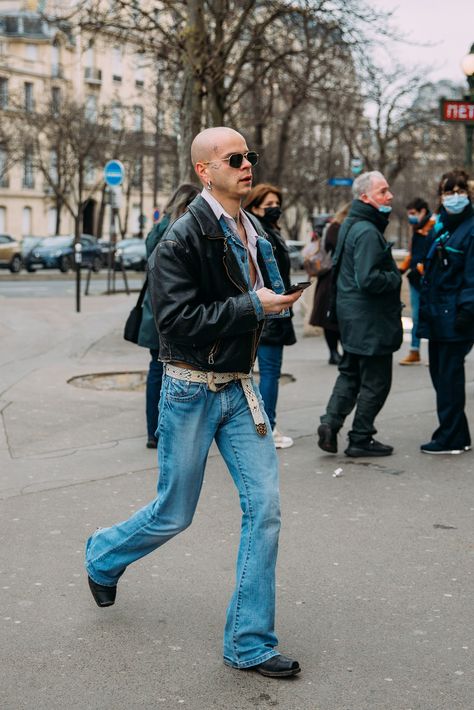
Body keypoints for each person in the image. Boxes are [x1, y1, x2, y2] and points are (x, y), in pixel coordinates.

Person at [85, 127, 304, 678]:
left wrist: (278, 300)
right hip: (188, 386)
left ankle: (248, 642)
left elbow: (263, 293)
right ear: (206, 170)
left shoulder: (252, 227)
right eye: (235, 158)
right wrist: (254, 306)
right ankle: (103, 556)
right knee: (174, 512)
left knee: (267, 509)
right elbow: (176, 325)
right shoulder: (180, 238)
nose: (247, 164)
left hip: (238, 386)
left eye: (250, 155)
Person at [317, 171, 402, 458]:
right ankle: (361, 437)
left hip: (353, 317)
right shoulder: (367, 231)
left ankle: (329, 424)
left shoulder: (353, 224)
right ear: (365, 197)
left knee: (350, 374)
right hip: (370, 321)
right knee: (376, 382)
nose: (389, 196)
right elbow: (369, 279)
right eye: (383, 191)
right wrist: (395, 277)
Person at [137, 184, 200, 448]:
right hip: (173, 311)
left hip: (153, 311)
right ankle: (168, 430)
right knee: (175, 372)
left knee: (156, 371)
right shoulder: (180, 230)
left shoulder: (158, 228)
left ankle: (154, 431)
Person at [418, 169, 474, 455]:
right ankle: (457, 434)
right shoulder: (443, 227)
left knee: (449, 379)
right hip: (439, 314)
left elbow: (471, 275)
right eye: (448, 191)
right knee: (441, 376)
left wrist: (467, 309)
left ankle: (450, 437)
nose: (454, 196)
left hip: (455, 316)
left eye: (459, 190)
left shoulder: (470, 228)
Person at [243, 183, 296, 448]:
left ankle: (260, 427)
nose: (275, 209)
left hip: (270, 310)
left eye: (277, 204)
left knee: (260, 374)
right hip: (271, 313)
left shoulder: (264, 232)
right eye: (269, 206)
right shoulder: (262, 236)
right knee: (270, 373)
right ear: (254, 207)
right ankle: (268, 428)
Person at [309, 202, 350, 365]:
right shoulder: (335, 228)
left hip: (333, 278)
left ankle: (338, 353)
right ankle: (333, 353)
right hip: (331, 277)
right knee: (330, 318)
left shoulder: (337, 227)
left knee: (334, 319)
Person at [398, 197, 435, 366]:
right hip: (415, 280)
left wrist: (422, 268)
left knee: (432, 315)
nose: (411, 217)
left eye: (413, 214)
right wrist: (402, 269)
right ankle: (414, 350)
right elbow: (412, 254)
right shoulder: (416, 230)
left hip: (430, 280)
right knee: (416, 316)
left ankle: (436, 351)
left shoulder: (435, 228)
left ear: (423, 212)